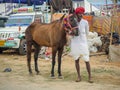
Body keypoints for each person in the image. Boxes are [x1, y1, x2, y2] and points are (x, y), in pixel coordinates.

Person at [70, 7, 93, 83]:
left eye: (82, 13)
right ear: (76, 14)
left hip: (83, 43)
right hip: (75, 43)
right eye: (79, 13)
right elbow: (69, 33)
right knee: (76, 60)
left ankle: (90, 77)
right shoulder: (72, 22)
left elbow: (87, 33)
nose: (81, 15)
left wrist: (83, 38)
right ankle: (79, 76)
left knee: (87, 60)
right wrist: (71, 33)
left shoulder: (85, 22)